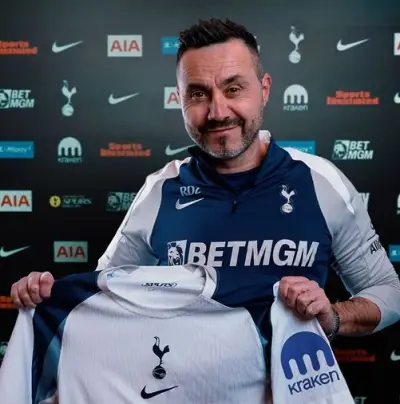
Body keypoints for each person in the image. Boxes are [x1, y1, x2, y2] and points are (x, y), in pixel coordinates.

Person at [11, 18, 400, 342]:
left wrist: (332, 316)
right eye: (198, 94)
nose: (217, 111)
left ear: (264, 90)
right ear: (179, 99)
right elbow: (102, 298)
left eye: (234, 88)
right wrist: (44, 294)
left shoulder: (321, 182)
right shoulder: (160, 190)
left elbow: (389, 293)